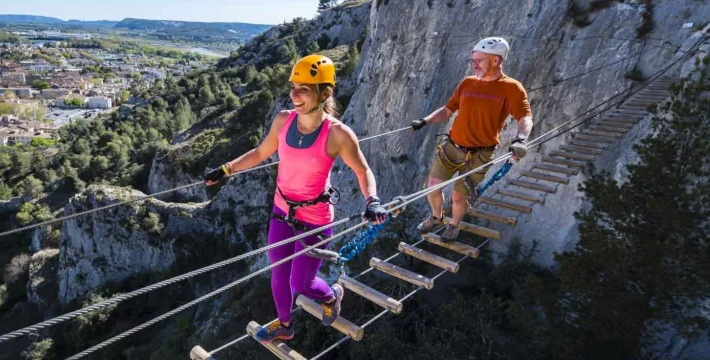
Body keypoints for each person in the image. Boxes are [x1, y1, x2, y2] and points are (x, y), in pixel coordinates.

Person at [204, 54, 390, 343]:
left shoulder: (338, 134)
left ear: (324, 93)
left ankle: (332, 295)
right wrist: (226, 169)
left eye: (303, 89)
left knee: (300, 283)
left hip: (315, 219)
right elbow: (259, 153)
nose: (294, 95)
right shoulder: (283, 120)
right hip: (282, 212)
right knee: (278, 276)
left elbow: (362, 170)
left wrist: (372, 200)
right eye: (293, 87)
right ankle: (285, 325)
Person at [410, 37, 533, 241]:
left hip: (480, 153)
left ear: (495, 60)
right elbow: (448, 109)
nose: (474, 64)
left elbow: (525, 117)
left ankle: (454, 225)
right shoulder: (468, 82)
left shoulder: (511, 87)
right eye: (473, 60)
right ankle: (436, 216)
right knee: (433, 185)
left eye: (479, 60)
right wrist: (425, 121)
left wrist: (520, 138)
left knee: (459, 195)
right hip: (453, 146)